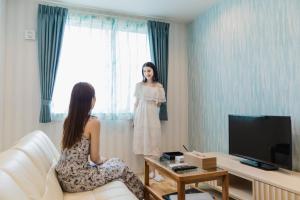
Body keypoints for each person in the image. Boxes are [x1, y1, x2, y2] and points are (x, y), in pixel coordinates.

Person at [55, 82, 144, 200]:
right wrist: (104, 160)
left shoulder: (68, 120)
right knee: (122, 167)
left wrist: (105, 161)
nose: (95, 99)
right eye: (93, 96)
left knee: (116, 162)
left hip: (64, 179)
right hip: (78, 180)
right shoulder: (93, 123)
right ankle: (145, 196)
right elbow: (95, 158)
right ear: (89, 100)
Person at [133, 62, 166, 181]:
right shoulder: (139, 86)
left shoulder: (159, 86)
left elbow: (159, 104)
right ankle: (152, 172)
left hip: (152, 115)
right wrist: (134, 118)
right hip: (141, 116)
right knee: (144, 143)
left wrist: (157, 101)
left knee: (154, 143)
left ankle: (156, 171)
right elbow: (136, 103)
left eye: (149, 71)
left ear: (153, 71)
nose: (147, 73)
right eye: (145, 71)